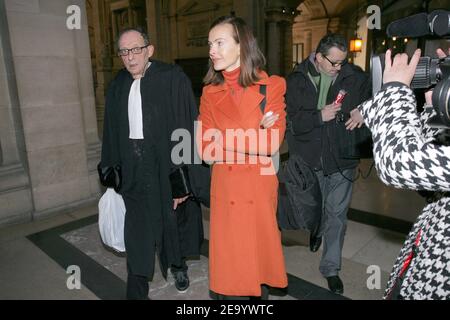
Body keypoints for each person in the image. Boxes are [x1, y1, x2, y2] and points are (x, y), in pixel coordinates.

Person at [100, 27, 209, 299]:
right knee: (137, 226)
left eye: (135, 49)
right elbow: (110, 132)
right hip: (133, 166)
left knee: (171, 220)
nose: (129, 56)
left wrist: (182, 180)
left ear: (149, 50)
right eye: (124, 51)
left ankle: (178, 265)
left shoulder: (172, 78)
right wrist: (112, 174)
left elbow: (186, 127)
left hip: (166, 165)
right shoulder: (117, 85)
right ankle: (136, 284)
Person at [196, 16, 288, 299]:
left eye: (220, 43)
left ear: (241, 46)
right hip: (226, 187)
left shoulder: (271, 85)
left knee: (257, 263)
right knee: (229, 264)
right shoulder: (210, 93)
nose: (212, 50)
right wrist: (251, 136)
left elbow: (272, 142)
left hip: (258, 187)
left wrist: (224, 137)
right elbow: (205, 150)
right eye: (210, 44)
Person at [352, 47, 450, 299]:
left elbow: (398, 163)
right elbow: (428, 181)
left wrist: (395, 87)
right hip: (427, 257)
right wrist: (435, 108)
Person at [285, 33, 371, 294]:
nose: (338, 68)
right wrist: (318, 116)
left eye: (342, 62)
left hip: (342, 158)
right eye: (333, 62)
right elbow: (292, 123)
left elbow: (378, 98)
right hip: (310, 160)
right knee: (317, 210)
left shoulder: (354, 76)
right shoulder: (297, 79)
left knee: (337, 214)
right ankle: (316, 230)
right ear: (318, 56)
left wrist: (365, 110)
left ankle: (331, 267)